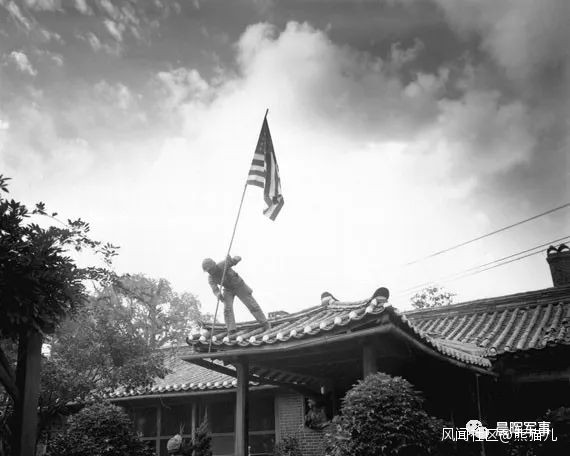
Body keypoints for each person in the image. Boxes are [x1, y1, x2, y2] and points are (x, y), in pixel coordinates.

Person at [202, 255, 271, 333]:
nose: (210, 272)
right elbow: (215, 289)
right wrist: (218, 294)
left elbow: (237, 258)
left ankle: (265, 323)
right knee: (227, 309)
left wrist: (233, 259)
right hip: (228, 289)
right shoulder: (210, 278)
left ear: (214, 265)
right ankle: (231, 330)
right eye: (208, 271)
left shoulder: (222, 264)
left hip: (239, 285)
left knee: (251, 304)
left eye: (210, 269)